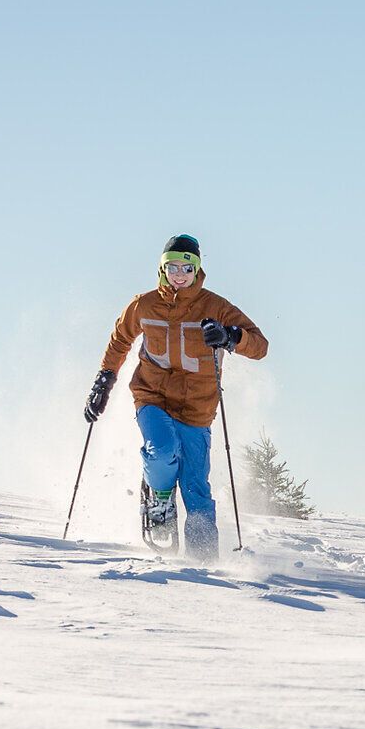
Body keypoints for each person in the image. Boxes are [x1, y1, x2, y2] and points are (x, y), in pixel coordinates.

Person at [84, 235, 269, 560]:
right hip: (152, 396)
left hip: (197, 407)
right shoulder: (144, 305)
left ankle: (203, 559)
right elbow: (120, 339)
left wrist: (229, 336)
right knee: (162, 450)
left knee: (196, 486)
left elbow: (260, 345)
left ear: (197, 269)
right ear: (162, 268)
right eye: (172, 267)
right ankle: (159, 500)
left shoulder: (215, 307)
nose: (179, 274)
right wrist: (104, 381)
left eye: (187, 267)